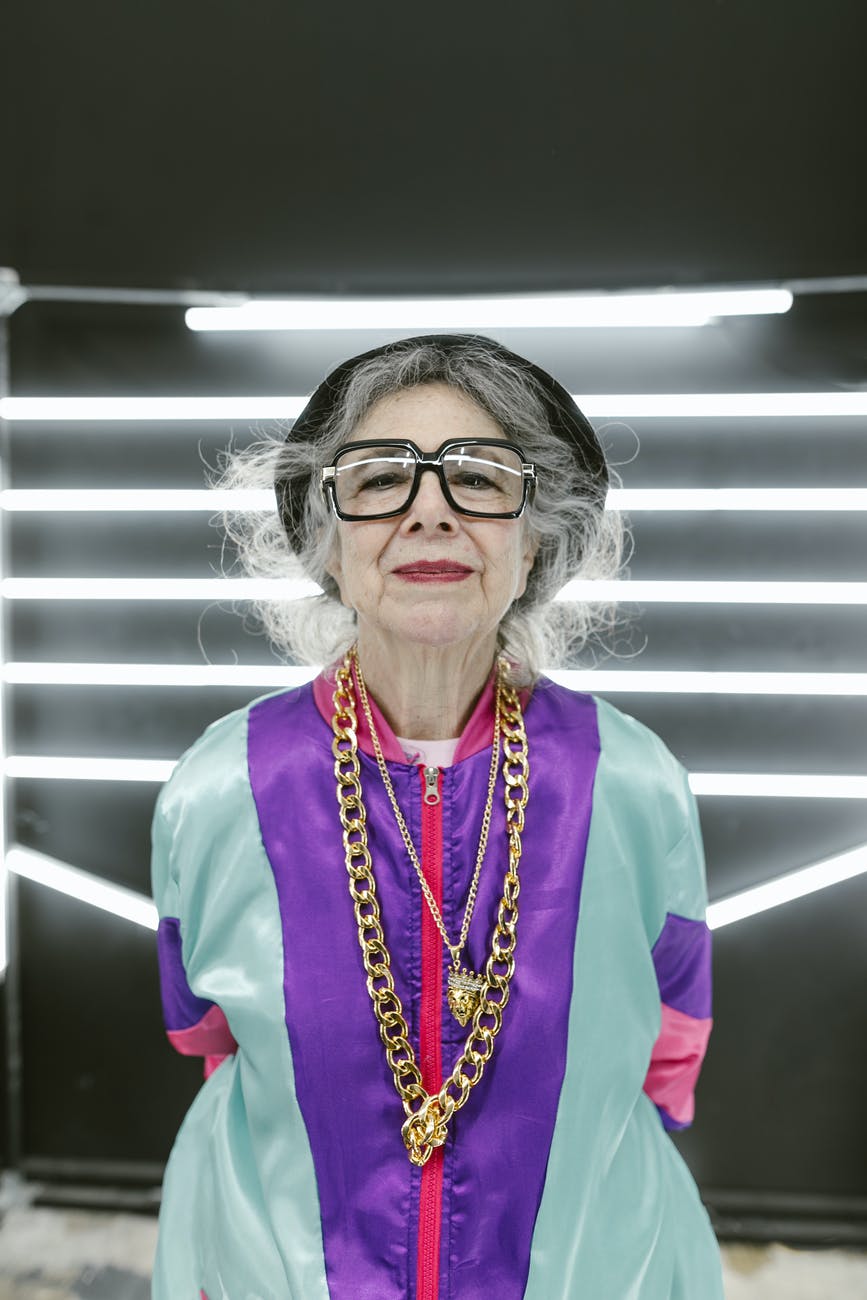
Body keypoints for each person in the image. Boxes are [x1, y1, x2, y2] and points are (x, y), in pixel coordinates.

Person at [151, 334, 724, 1299]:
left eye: (480, 478)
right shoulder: (219, 789)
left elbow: (671, 1052)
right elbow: (207, 1039)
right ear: (325, 538)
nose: (428, 513)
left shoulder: (632, 783)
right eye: (378, 479)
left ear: (532, 535)